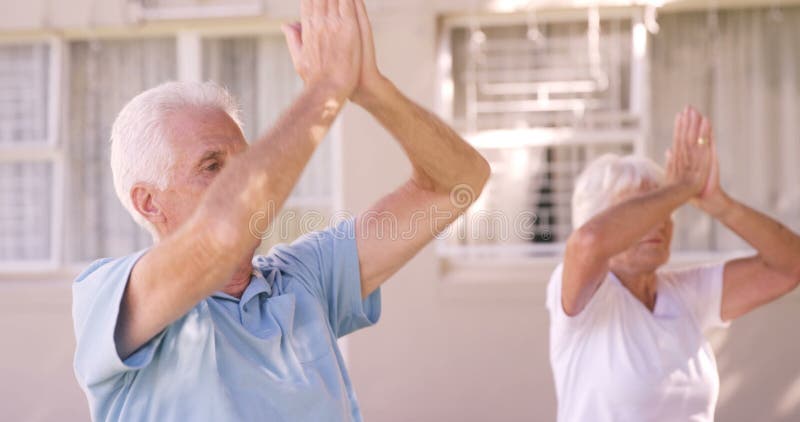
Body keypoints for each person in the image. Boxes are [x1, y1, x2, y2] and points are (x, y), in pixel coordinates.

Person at [71, 1, 490, 420]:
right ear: (149, 201)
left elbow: (458, 182)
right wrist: (325, 90)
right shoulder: (111, 295)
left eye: (248, 162)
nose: (250, 182)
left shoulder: (305, 276)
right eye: (213, 166)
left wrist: (369, 89)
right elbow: (215, 240)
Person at [547, 106, 800, 421]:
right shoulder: (583, 298)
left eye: (665, 210)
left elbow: (789, 266)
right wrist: (679, 189)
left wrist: (719, 204)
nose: (657, 224)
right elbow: (588, 242)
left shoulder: (685, 293)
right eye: (641, 212)